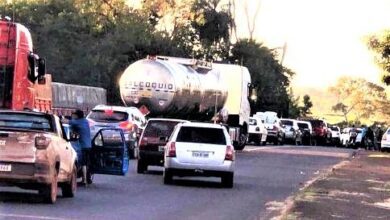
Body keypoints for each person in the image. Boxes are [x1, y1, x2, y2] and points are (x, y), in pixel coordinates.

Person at [69, 109, 91, 185]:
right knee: (87, 163)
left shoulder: (77, 122)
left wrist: (71, 117)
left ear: (77, 115)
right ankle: (88, 179)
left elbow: (69, 122)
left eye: (75, 114)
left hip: (83, 146)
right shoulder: (86, 121)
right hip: (89, 145)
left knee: (83, 163)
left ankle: (84, 180)